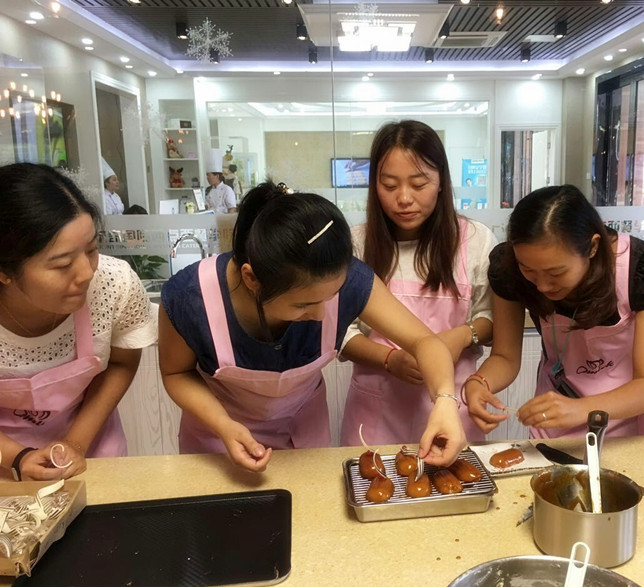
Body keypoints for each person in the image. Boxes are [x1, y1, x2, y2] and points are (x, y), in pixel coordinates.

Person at [158, 181, 466, 472]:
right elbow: (176, 373)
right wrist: (223, 425)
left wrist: (445, 400)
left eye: (331, 297)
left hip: (304, 436)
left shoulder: (349, 279)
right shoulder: (189, 298)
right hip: (218, 439)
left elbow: (426, 343)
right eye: (303, 305)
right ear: (252, 279)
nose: (321, 314)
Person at [465, 185, 644, 438]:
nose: (543, 286)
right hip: (559, 407)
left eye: (556, 273)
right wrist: (479, 382)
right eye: (529, 270)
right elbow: (505, 357)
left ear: (592, 247)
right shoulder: (508, 268)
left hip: (634, 412)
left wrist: (581, 409)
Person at [339, 120, 496, 445]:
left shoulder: (475, 240)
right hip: (376, 412)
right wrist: (389, 359)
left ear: (441, 182)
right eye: (389, 185)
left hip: (453, 404)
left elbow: (493, 318)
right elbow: (340, 331)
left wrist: (461, 336)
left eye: (418, 183)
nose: (404, 198)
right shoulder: (356, 243)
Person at [0, 163, 157, 480]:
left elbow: (121, 363)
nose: (86, 273)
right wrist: (17, 457)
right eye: (62, 264)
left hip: (91, 447)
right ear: (5, 272)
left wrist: (74, 443)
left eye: (91, 250)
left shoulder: (112, 283)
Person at [205, 148, 236, 214]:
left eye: (209, 175)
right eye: (207, 176)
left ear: (217, 176)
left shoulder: (227, 189)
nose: (207, 178)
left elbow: (231, 209)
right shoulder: (208, 190)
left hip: (223, 219)